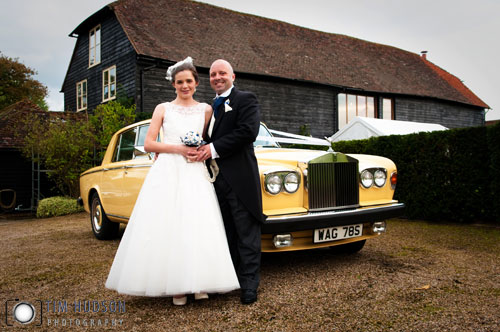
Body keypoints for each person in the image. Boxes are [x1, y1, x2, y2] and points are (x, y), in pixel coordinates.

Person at [105, 57, 240, 305]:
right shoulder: (162, 108)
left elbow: (210, 140)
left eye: (189, 81)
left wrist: (201, 150)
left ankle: (200, 282)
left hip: (194, 171)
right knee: (171, 224)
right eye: (180, 82)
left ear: (197, 83)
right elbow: (148, 143)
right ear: (173, 85)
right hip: (169, 171)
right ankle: (177, 286)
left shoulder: (206, 110)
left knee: (198, 223)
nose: (184, 85)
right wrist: (177, 149)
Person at [195, 59, 265, 304]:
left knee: (246, 233)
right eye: (213, 74)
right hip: (213, 181)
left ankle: (249, 285)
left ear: (232, 76)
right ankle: (229, 280)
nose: (217, 77)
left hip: (240, 179)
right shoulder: (208, 107)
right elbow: (201, 137)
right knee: (225, 232)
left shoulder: (245, 99)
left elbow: (248, 131)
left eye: (222, 73)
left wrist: (212, 149)